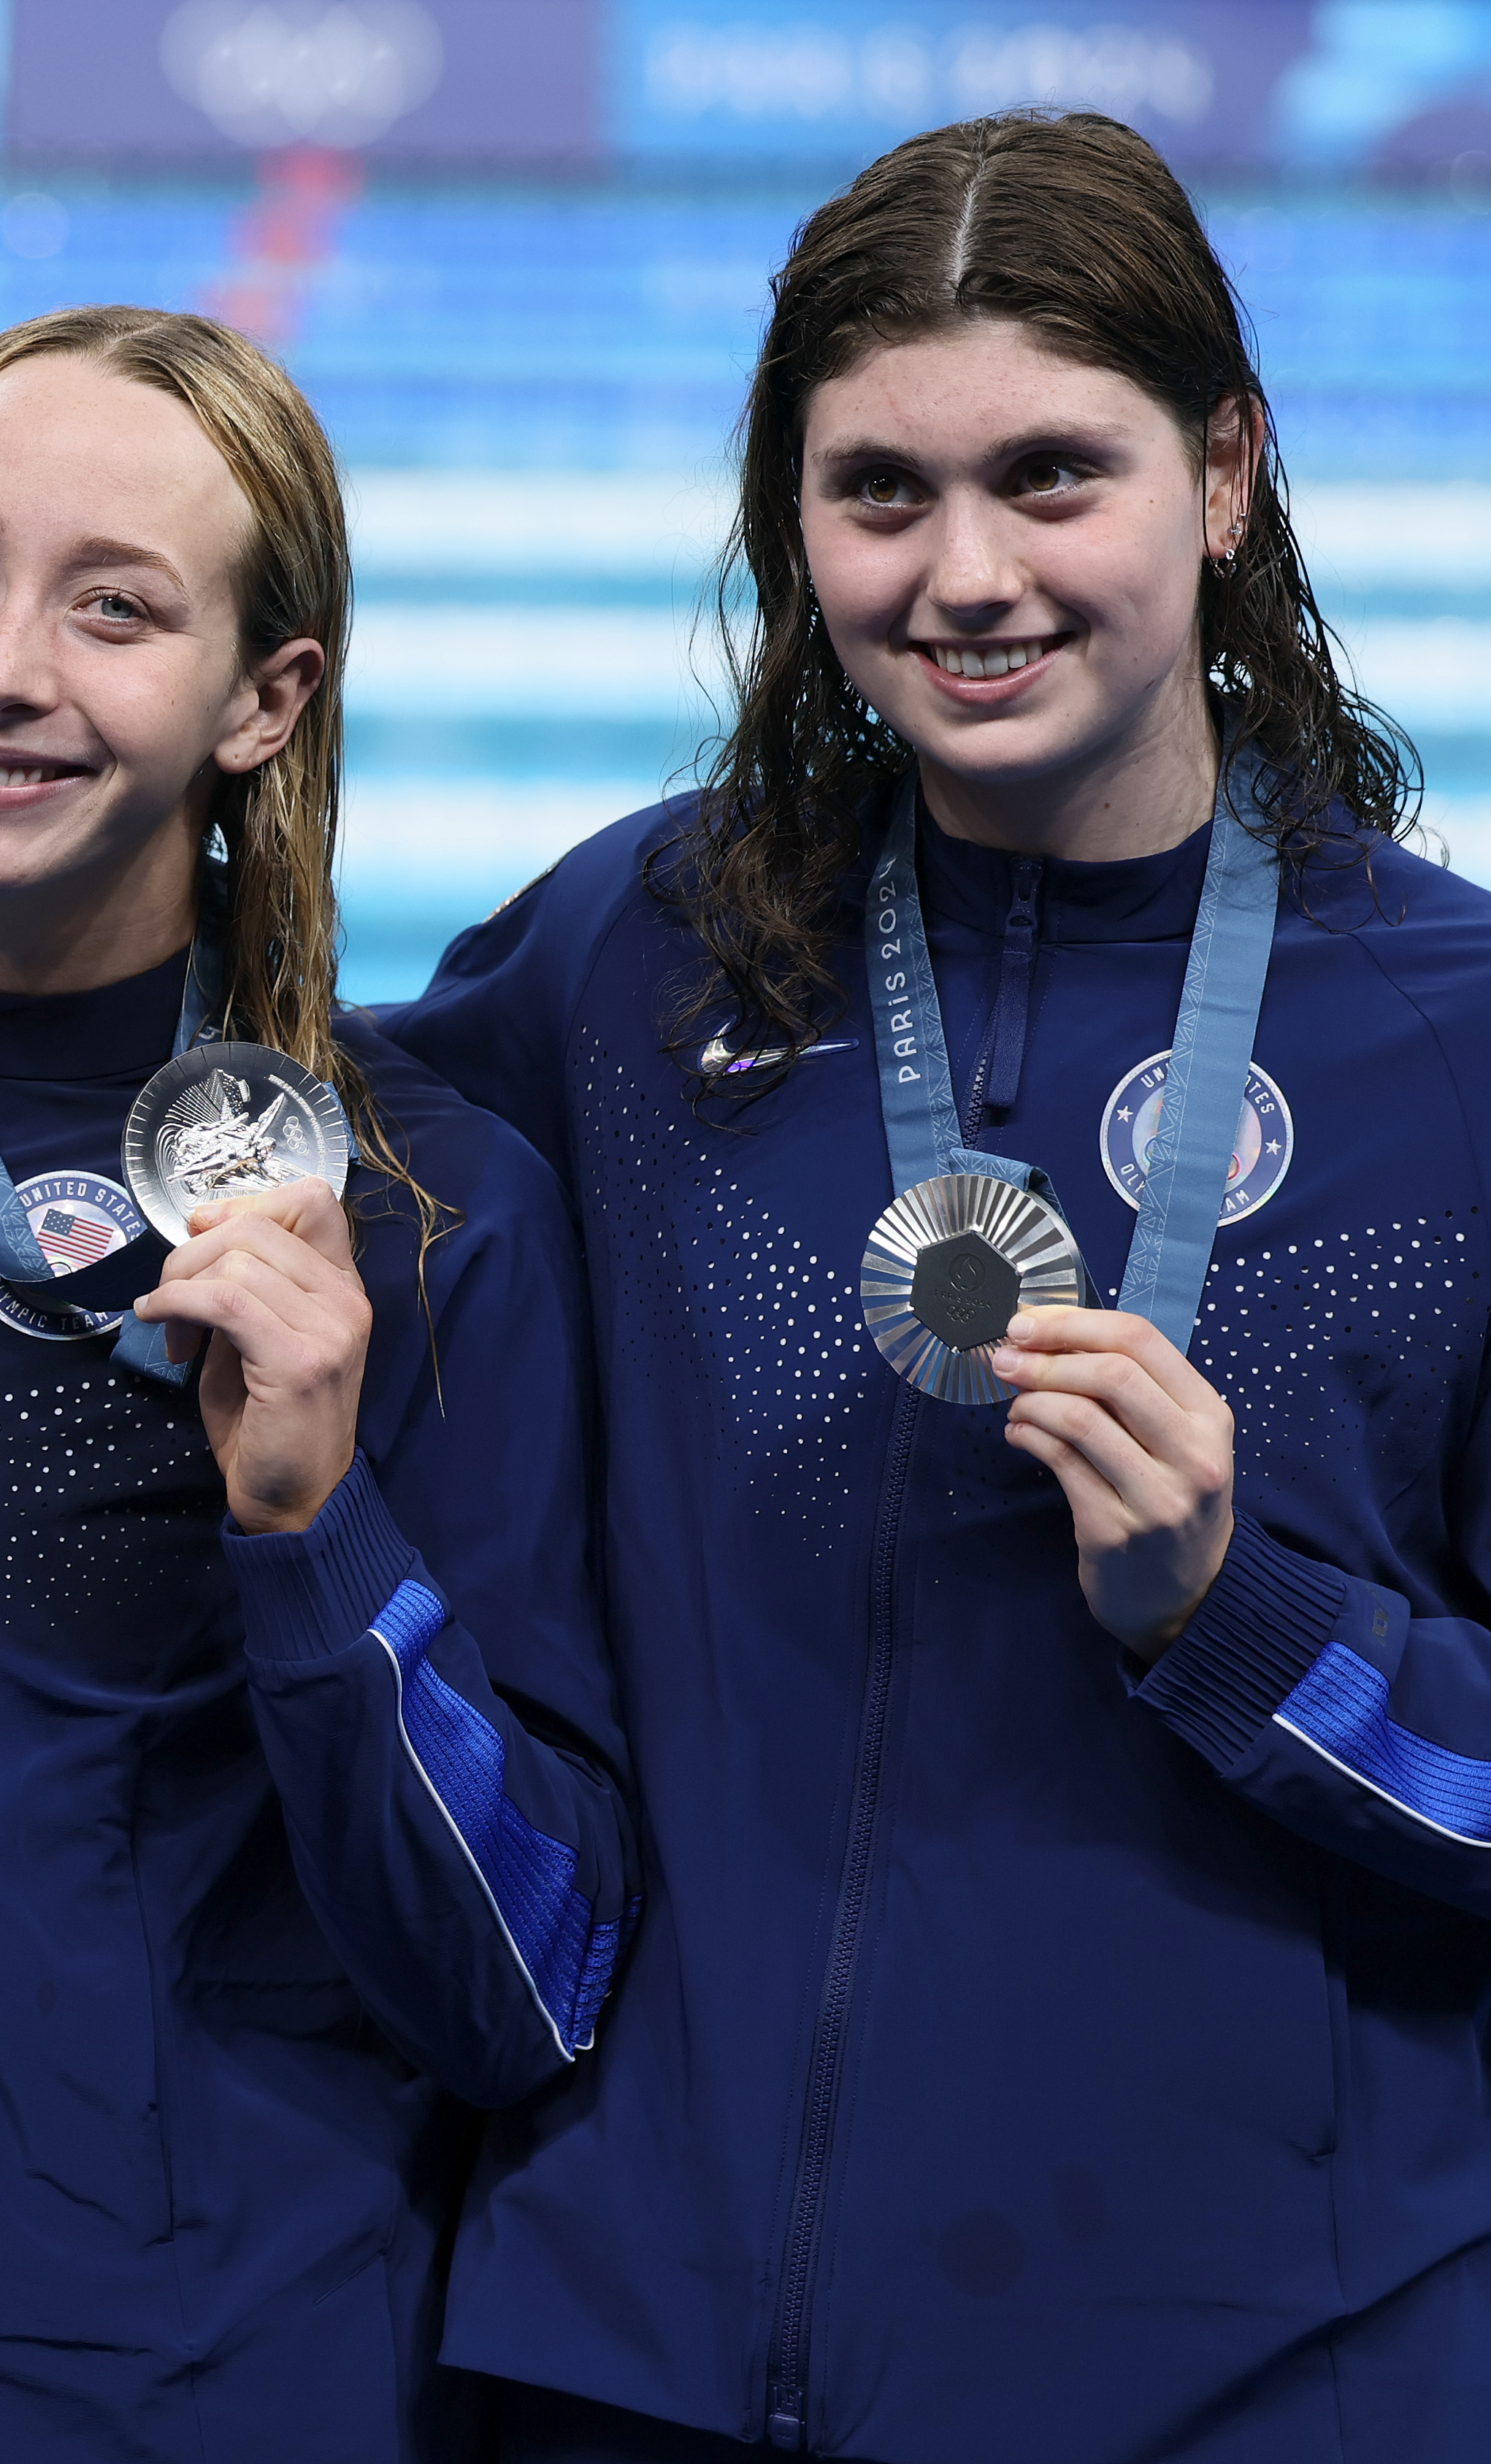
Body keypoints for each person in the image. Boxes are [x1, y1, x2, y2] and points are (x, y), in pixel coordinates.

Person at [386, 111, 1491, 2460]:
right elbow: (259, 1153)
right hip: (640, 2360)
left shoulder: (1457, 1047)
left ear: (1225, 473)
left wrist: (1245, 1621)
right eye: (877, 490)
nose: (964, 574)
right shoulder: (627, 959)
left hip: (1259, 2375)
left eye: (1052, 479)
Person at [0, 306, 637, 2463]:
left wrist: (315, 1537)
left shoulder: (428, 1216)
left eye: (114, 608)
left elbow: (528, 1983)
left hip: (184, 2395)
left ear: (268, 701)